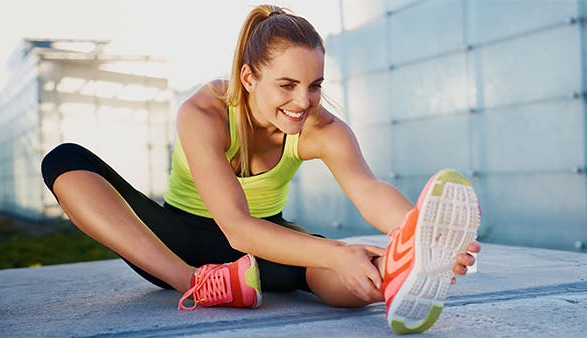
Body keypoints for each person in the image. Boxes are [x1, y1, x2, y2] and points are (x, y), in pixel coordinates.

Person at [41, 4, 481, 334]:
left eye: (315, 85)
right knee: (64, 160)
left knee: (350, 273)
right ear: (249, 78)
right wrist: (336, 251)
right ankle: (198, 283)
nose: (303, 101)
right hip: (175, 241)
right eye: (287, 85)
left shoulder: (321, 127)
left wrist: (418, 234)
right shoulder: (204, 111)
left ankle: (395, 273)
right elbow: (234, 227)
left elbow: (367, 189)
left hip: (264, 245)